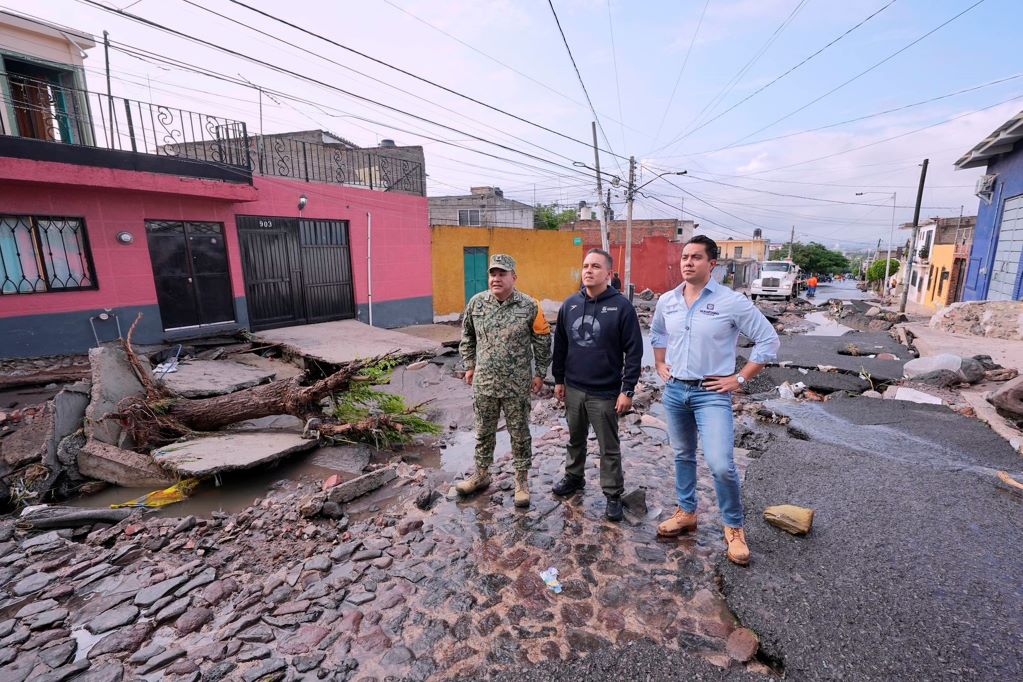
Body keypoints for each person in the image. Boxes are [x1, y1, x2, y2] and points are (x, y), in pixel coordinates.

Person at [651, 236, 779, 566]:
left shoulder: (731, 302)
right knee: (682, 454)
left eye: (696, 257)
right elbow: (658, 332)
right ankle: (686, 512)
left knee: (721, 464)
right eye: (684, 256)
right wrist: (660, 363)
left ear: (712, 264)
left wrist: (739, 379)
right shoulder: (667, 300)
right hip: (675, 391)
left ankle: (733, 527)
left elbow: (768, 340)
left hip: (712, 394)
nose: (687, 262)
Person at [551, 249, 643, 521]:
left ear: (608, 274)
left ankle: (613, 494)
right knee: (575, 439)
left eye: (595, 266)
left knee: (608, 448)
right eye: (585, 266)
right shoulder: (570, 305)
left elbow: (634, 352)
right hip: (574, 388)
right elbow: (561, 345)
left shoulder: (622, 307)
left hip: (604, 392)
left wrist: (627, 390)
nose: (588, 271)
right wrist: (559, 379)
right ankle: (573, 477)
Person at [457, 254, 551, 508]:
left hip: (516, 384)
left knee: (519, 434)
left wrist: (540, 373)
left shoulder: (529, 306)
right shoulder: (476, 303)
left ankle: (521, 481)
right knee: (483, 432)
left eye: (502, 274)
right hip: (485, 382)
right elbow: (467, 336)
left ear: (514, 277)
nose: (496, 279)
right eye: (493, 274)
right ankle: (481, 474)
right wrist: (469, 365)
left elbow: (542, 341)